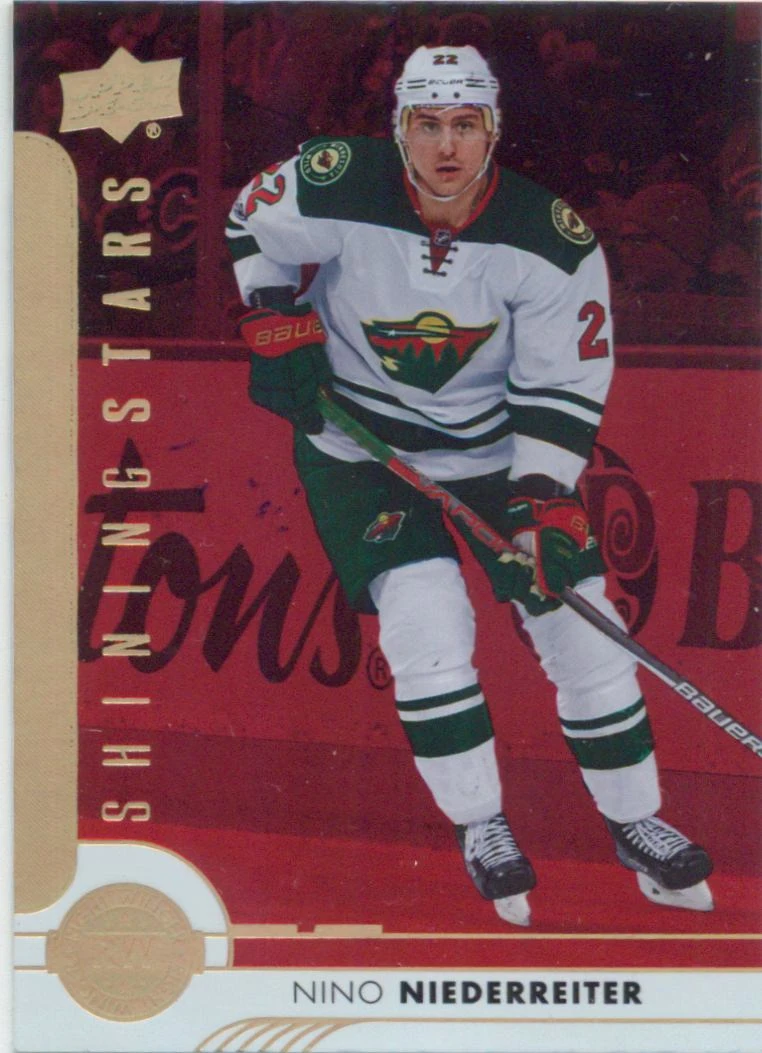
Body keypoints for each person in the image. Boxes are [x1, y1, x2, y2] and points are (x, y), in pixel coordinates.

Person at [225, 45, 713, 926]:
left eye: (464, 124)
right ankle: (482, 823)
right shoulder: (338, 181)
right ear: (398, 129)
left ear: (494, 130)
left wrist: (545, 499)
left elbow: (562, 385)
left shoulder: (549, 238)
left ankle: (636, 820)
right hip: (358, 447)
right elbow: (251, 224)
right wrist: (272, 313)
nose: (445, 146)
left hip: (496, 453)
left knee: (582, 627)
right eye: (426, 124)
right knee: (427, 621)